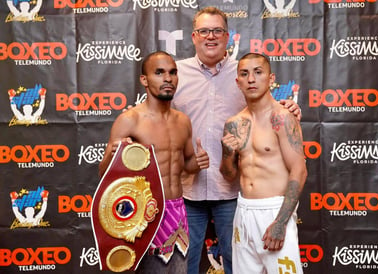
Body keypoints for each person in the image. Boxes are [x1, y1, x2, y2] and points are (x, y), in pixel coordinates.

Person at [171, 6, 302, 274]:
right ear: (194, 36)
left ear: (227, 36)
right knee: (184, 264)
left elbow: (263, 107)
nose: (211, 36)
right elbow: (158, 112)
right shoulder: (176, 73)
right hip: (188, 190)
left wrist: (290, 108)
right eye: (204, 31)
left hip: (232, 193)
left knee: (237, 265)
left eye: (217, 30)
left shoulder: (241, 71)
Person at [98, 51, 209, 274]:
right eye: (159, 73)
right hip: (142, 215)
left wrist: (198, 162)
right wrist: (112, 155)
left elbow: (186, 166)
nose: (168, 79)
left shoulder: (183, 121)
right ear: (144, 80)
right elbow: (104, 174)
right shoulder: (130, 120)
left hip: (177, 210)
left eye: (173, 72)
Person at [220, 53, 307, 274]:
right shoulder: (234, 124)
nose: (251, 79)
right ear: (237, 81)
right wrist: (227, 153)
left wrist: (280, 222)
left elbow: (299, 170)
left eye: (258, 72)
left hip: (275, 210)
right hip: (244, 211)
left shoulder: (282, 118)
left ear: (270, 79)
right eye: (244, 74)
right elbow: (229, 175)